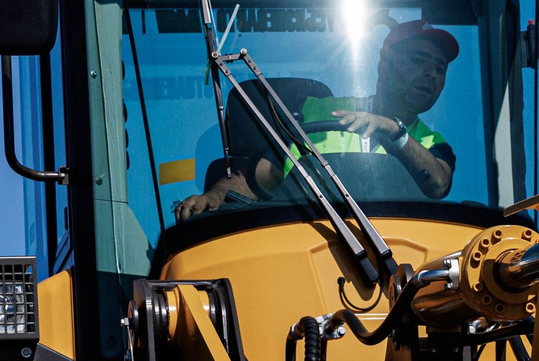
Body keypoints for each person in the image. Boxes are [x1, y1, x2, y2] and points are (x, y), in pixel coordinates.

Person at [173, 20, 459, 219]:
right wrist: (217, 194)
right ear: (385, 63)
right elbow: (260, 178)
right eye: (419, 60)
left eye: (440, 68)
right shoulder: (315, 111)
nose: (432, 74)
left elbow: (437, 184)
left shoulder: (432, 145)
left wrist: (394, 130)